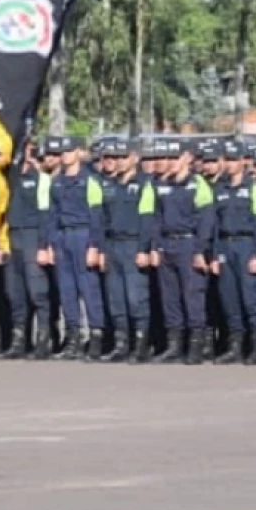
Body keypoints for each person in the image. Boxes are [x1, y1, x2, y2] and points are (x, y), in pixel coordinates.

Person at [151, 141, 216, 364]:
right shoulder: (161, 185)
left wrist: (200, 250)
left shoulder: (198, 185)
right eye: (165, 158)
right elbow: (156, 219)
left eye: (173, 158)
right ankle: (174, 345)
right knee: (170, 297)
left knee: (193, 295)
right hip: (167, 245)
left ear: (187, 158)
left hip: (189, 245)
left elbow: (206, 221)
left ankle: (196, 346)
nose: (168, 163)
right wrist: (156, 247)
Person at [94, 138, 156, 362]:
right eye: (115, 157)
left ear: (135, 158)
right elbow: (101, 220)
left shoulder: (144, 185)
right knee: (116, 298)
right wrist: (101, 250)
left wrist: (144, 249)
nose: (118, 162)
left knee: (136, 297)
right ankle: (122, 345)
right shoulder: (108, 185)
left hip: (133, 244)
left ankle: (141, 344)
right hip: (112, 245)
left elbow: (147, 219)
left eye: (123, 157)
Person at [209, 142, 256, 364]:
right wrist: (215, 255)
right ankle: (235, 347)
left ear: (243, 161)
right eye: (227, 159)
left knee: (251, 298)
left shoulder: (254, 188)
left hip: (246, 245)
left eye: (234, 159)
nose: (230, 164)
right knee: (229, 298)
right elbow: (215, 225)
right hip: (226, 245)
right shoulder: (220, 189)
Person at [47, 138, 106, 360]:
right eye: (62, 151)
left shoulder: (90, 180)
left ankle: (96, 336)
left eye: (69, 151)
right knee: (67, 289)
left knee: (88, 288)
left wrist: (94, 245)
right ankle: (72, 337)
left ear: (79, 153)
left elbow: (96, 216)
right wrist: (51, 244)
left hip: (83, 234)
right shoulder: (57, 182)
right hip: (63, 236)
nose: (65, 155)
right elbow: (52, 216)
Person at [0, 141, 55, 358]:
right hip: (12, 237)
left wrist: (43, 245)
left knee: (38, 292)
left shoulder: (41, 179)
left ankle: (43, 340)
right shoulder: (5, 180)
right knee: (15, 293)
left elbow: (45, 214)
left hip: (33, 236)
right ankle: (19, 341)